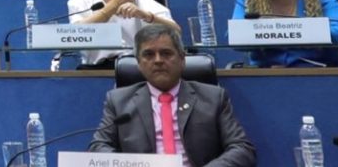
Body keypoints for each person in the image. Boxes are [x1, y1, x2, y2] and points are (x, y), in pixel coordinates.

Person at [88, 21, 255, 163]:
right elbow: (98, 147)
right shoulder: (118, 101)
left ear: (182, 60)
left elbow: (242, 149)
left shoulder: (213, 97)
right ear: (139, 64)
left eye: (166, 53)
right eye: (149, 55)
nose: (158, 60)